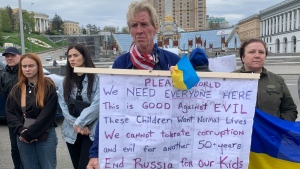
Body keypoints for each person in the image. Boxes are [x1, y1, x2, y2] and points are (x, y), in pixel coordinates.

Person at [86, 1, 180, 168]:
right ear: (129, 30)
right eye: (134, 25)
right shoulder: (120, 64)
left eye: (144, 24)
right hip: (129, 150)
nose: (139, 30)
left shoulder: (174, 61)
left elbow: (200, 96)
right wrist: (95, 153)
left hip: (166, 151)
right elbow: (109, 112)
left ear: (156, 27)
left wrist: (188, 74)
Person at [5, 53, 58, 168]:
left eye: (31, 66)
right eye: (24, 66)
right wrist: (21, 130)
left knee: (47, 166)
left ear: (38, 66)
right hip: (23, 136)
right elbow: (10, 112)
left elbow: (47, 114)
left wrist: (30, 133)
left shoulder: (48, 86)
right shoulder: (16, 89)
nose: (27, 69)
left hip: (45, 135)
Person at [233, 38, 298, 121]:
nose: (257, 56)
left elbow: (290, 110)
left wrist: (277, 127)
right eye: (252, 52)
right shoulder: (229, 79)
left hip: (270, 133)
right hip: (238, 132)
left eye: (261, 52)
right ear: (243, 57)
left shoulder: (278, 80)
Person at [58, 44, 100, 169]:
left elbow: (98, 105)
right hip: (72, 131)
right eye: (69, 56)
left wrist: (80, 123)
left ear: (84, 57)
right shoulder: (65, 81)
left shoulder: (97, 79)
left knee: (86, 166)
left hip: (91, 130)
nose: (72, 59)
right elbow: (63, 105)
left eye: (75, 55)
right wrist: (76, 124)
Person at [0, 47, 23, 169]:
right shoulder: (4, 75)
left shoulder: (26, 71)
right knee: (15, 148)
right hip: (12, 117)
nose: (9, 58)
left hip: (28, 116)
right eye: (7, 56)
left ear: (20, 56)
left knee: (27, 146)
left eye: (12, 55)